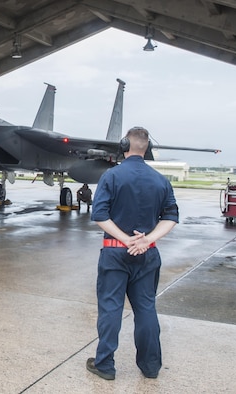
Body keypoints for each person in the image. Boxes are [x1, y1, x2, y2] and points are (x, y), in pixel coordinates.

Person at [87, 126, 178, 380]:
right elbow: (171, 217)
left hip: (116, 254)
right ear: (147, 147)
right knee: (146, 309)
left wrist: (127, 239)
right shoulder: (161, 180)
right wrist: (146, 240)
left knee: (111, 309)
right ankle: (150, 367)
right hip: (147, 255)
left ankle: (105, 365)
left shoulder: (112, 176)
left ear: (125, 145)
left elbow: (100, 215)